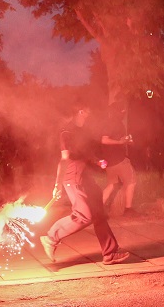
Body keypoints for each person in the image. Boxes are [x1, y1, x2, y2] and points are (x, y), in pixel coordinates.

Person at [40, 102, 130, 265]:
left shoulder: (80, 132)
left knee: (98, 214)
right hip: (73, 179)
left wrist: (98, 161)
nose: (90, 114)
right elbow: (64, 160)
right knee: (84, 215)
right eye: (88, 110)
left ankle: (110, 253)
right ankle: (51, 237)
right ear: (81, 111)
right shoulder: (66, 133)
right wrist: (57, 184)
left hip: (85, 178)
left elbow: (86, 153)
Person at [99, 103, 140, 218]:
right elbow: (104, 140)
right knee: (131, 181)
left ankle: (97, 210)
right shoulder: (113, 123)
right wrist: (120, 142)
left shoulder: (111, 123)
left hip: (110, 162)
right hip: (119, 160)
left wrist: (126, 141)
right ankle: (128, 209)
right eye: (122, 111)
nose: (123, 113)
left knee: (112, 185)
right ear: (117, 111)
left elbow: (113, 139)